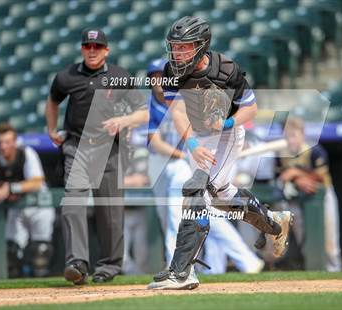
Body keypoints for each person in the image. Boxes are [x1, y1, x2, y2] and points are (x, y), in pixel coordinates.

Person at [148, 16, 293, 290]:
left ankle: (182, 271)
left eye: (185, 47)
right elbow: (177, 111)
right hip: (198, 137)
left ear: (201, 46)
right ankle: (274, 222)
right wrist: (191, 143)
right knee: (221, 196)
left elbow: (250, 109)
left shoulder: (226, 70)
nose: (178, 53)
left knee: (198, 191)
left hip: (227, 132)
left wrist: (225, 122)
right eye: (175, 47)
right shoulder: (171, 71)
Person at [45, 28, 148, 284]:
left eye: (97, 46)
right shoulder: (66, 76)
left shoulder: (118, 76)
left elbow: (143, 111)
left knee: (110, 212)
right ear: (82, 49)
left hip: (109, 149)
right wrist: (50, 129)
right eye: (88, 46)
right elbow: (52, 100)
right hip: (76, 147)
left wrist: (123, 120)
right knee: (72, 204)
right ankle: (77, 263)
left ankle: (109, 266)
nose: (92, 51)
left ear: (106, 50)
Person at [147, 59, 264, 275]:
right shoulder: (154, 104)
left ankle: (179, 266)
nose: (159, 81)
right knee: (204, 212)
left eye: (160, 77)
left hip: (185, 163)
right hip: (171, 162)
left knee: (182, 213)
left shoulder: (188, 95)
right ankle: (246, 258)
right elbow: (155, 141)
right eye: (154, 78)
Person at [0, 123, 55, 278]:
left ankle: (43, 291)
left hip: (38, 205)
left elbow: (36, 182)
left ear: (14, 142)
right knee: (11, 251)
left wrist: (10, 188)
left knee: (40, 251)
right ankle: (15, 292)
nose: (3, 146)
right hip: (17, 207)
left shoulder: (26, 153)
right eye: (0, 142)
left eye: (7, 142)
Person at [274, 117, 342, 272]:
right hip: (296, 197)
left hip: (321, 195)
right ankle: (315, 273)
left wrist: (296, 173)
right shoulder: (281, 154)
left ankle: (334, 273)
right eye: (287, 136)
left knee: (330, 240)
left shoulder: (314, 150)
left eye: (293, 135)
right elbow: (283, 177)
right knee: (304, 238)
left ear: (302, 134)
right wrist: (298, 179)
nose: (290, 140)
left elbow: (321, 177)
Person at [122, 147, 149, 275]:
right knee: (123, 257)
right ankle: (134, 277)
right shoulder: (115, 155)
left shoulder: (140, 153)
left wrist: (128, 181)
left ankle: (140, 283)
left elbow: (145, 179)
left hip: (139, 209)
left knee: (142, 254)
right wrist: (131, 181)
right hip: (122, 212)